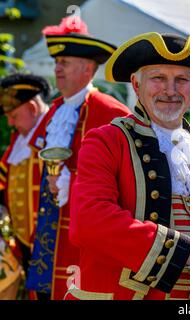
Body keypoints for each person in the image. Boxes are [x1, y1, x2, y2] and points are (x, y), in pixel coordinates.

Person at [66, 32, 190, 300]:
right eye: (158, 78)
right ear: (136, 84)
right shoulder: (107, 140)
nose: (170, 90)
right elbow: (90, 221)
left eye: (182, 80)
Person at [26, 16, 130, 300]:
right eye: (56, 62)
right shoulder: (55, 109)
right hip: (48, 230)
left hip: (81, 234)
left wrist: (73, 181)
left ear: (86, 69)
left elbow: (126, 179)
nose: (56, 69)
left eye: (65, 63)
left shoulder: (110, 112)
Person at [0, 73, 50, 292]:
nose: (10, 123)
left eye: (13, 115)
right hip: (26, 247)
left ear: (31, 108)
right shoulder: (19, 142)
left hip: (53, 245)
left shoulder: (56, 132)